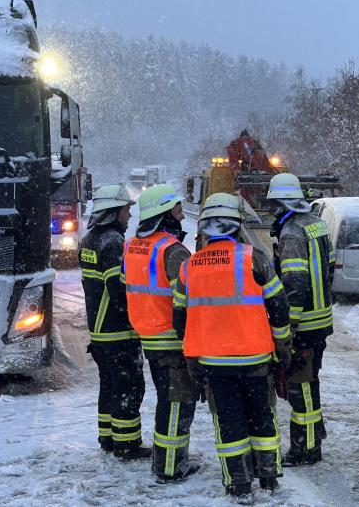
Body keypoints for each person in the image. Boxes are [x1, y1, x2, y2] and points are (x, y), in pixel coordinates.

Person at [173, 193, 293, 503]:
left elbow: (179, 318)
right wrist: (282, 346)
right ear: (236, 225)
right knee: (262, 417)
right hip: (255, 358)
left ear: (204, 228)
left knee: (229, 423)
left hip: (213, 362)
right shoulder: (254, 258)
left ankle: (238, 484)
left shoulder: (189, 266)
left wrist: (192, 355)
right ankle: (268, 478)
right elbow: (279, 307)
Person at [124, 183, 199, 482]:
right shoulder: (173, 250)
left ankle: (166, 459)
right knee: (177, 402)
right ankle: (169, 466)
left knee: (167, 399)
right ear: (164, 214)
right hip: (173, 340)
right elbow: (190, 298)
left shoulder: (133, 246)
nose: (182, 218)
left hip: (150, 337)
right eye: (178, 211)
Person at [265, 173, 335, 466]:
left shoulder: (292, 232)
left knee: (301, 388)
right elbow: (327, 269)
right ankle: (313, 435)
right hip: (320, 321)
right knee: (311, 383)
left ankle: (305, 449)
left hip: (303, 325)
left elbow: (295, 282)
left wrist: (287, 327)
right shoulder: (316, 224)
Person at [79, 184, 151, 461]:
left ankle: (107, 437)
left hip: (99, 332)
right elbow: (118, 290)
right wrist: (138, 315)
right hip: (117, 331)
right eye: (126, 209)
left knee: (108, 386)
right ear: (112, 212)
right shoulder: (112, 243)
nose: (129, 216)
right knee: (129, 387)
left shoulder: (89, 239)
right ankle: (127, 444)